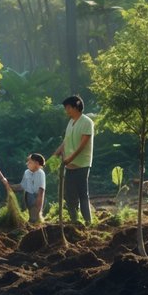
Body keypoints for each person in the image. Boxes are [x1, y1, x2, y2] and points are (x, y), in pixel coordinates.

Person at [52, 95, 94, 223]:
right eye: (66, 108)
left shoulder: (87, 122)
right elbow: (66, 141)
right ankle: (74, 221)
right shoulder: (70, 122)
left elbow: (83, 144)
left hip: (82, 164)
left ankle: (88, 222)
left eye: (69, 107)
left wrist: (70, 158)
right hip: (69, 164)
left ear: (77, 106)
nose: (67, 111)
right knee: (70, 195)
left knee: (82, 193)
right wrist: (57, 153)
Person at [8, 152, 47, 224]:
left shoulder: (40, 173)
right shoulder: (27, 172)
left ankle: (36, 221)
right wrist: (10, 186)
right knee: (32, 217)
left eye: (30, 162)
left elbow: (41, 190)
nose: (27, 163)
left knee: (35, 218)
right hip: (29, 197)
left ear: (37, 164)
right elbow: (22, 186)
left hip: (38, 198)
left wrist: (38, 206)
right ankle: (32, 221)